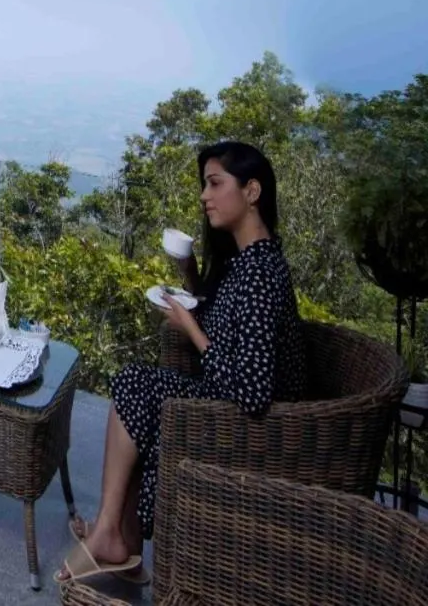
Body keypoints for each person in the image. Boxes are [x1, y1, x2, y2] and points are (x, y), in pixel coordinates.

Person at [55, 140, 308, 585]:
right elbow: (231, 327)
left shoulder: (262, 276)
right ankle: (122, 539)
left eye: (215, 184)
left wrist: (190, 328)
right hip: (233, 407)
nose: (204, 196)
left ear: (252, 192)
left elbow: (250, 394)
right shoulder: (249, 261)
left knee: (136, 386)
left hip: (255, 430)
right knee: (139, 389)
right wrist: (190, 275)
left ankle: (112, 535)